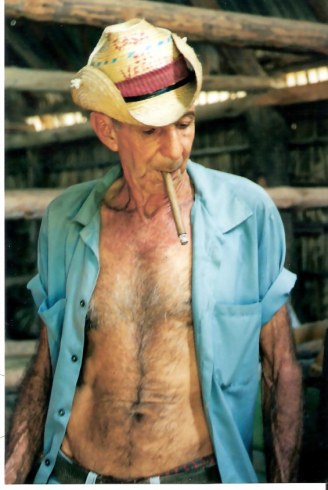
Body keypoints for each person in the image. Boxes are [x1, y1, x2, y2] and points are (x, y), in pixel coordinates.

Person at [5, 18, 303, 484]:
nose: (174, 150)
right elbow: (45, 367)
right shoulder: (66, 220)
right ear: (106, 131)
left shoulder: (246, 215)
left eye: (185, 124)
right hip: (73, 474)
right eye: (150, 132)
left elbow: (281, 368)